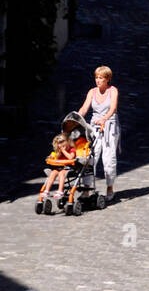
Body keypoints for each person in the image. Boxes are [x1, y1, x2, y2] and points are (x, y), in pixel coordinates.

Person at [78, 66, 120, 201]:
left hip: (109, 127)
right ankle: (86, 189)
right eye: (96, 77)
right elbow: (85, 108)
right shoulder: (92, 92)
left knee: (108, 159)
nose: (97, 80)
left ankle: (109, 187)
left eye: (100, 78)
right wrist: (76, 117)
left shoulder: (113, 91)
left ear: (107, 79)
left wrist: (104, 118)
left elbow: (113, 108)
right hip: (94, 127)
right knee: (90, 157)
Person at [38, 134, 75, 203]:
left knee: (61, 173)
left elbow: (71, 157)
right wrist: (51, 157)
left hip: (68, 168)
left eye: (63, 143)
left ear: (68, 142)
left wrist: (64, 151)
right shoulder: (58, 151)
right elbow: (53, 156)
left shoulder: (71, 150)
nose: (61, 145)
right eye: (59, 144)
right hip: (58, 167)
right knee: (53, 173)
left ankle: (60, 191)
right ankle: (47, 191)